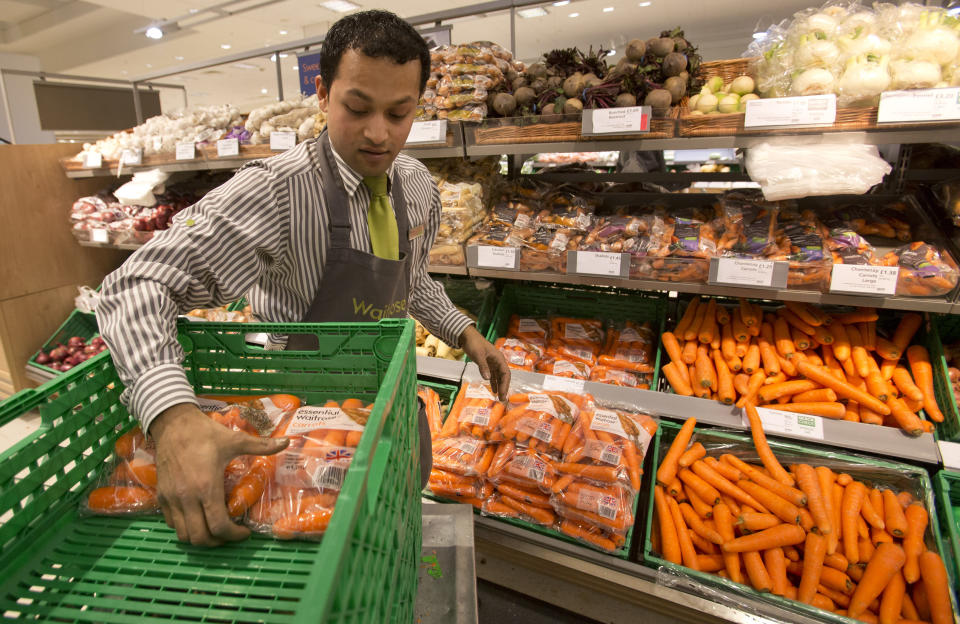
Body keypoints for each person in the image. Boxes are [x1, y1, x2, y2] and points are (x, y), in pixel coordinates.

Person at [97, 9, 510, 547]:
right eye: (357, 108)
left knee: (388, 538)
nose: (379, 134)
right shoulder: (276, 192)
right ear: (322, 92)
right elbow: (136, 283)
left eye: (399, 113)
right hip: (297, 419)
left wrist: (464, 332)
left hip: (387, 400)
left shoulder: (415, 185)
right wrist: (172, 418)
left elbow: (410, 280)